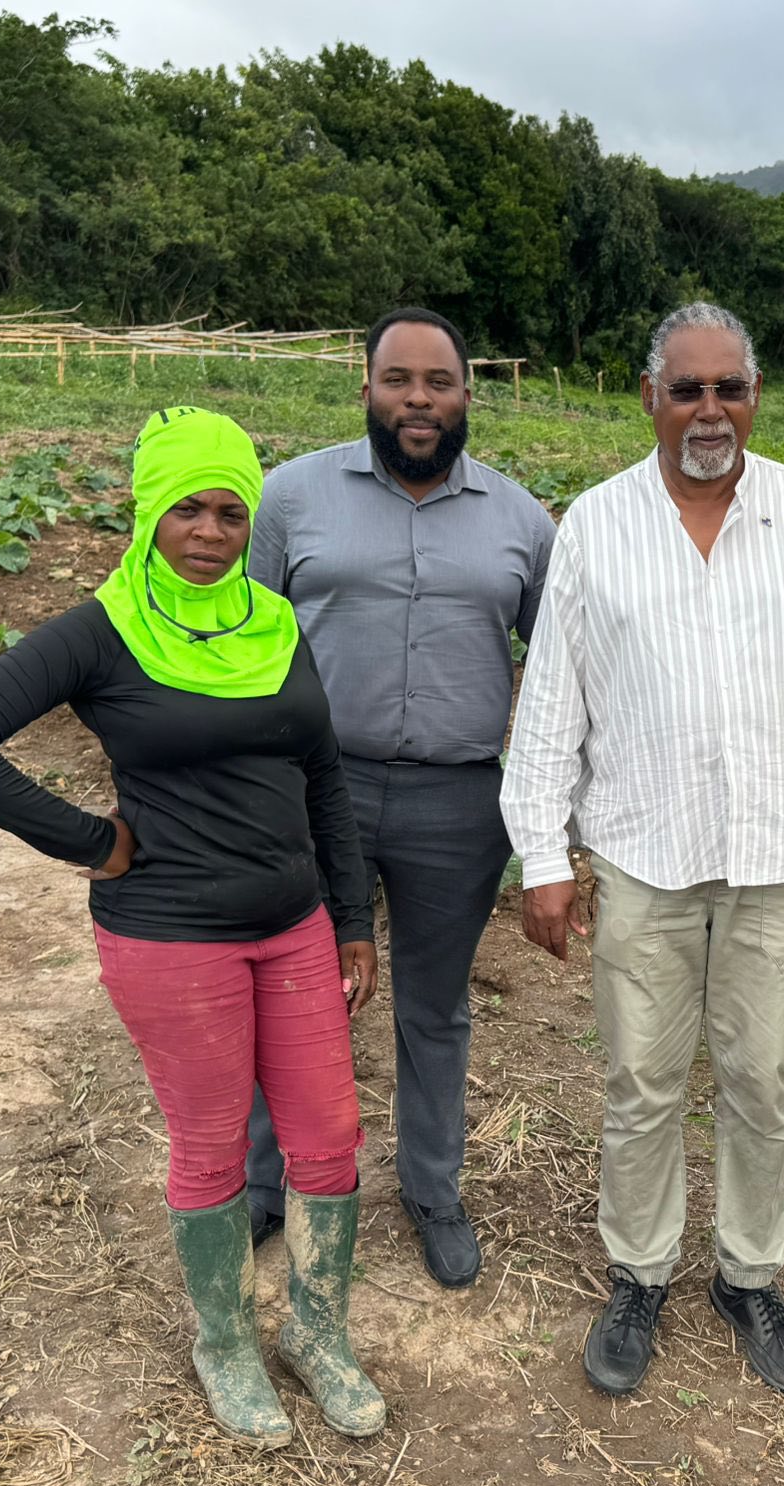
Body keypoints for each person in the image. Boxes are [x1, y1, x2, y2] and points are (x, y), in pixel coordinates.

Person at [0, 407, 390, 1448]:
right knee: (211, 1149)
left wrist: (351, 916)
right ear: (147, 514)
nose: (210, 531)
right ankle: (223, 1343)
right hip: (171, 938)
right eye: (187, 509)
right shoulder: (103, 629)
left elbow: (322, 775)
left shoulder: (272, 620)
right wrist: (91, 842)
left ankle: (314, 1332)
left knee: (330, 1140)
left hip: (294, 927)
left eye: (229, 510)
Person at [501, 302, 784, 1401]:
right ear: (648, 397)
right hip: (641, 855)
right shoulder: (593, 524)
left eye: (729, 388)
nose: (709, 410)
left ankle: (747, 1275)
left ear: (755, 396)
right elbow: (552, 704)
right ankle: (639, 1272)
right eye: (687, 389)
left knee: (762, 1080)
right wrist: (541, 852)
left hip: (778, 856)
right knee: (640, 1079)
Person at [242, 308, 556, 1288]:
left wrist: (553, 817)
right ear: (366, 388)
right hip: (309, 791)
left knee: (433, 1005)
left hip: (456, 803)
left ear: (469, 394)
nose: (417, 399)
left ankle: (431, 1191)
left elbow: (557, 670)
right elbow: (240, 640)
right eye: (397, 380)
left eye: (439, 382)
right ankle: (266, 1183)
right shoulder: (290, 498)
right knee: (293, 992)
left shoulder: (521, 520)